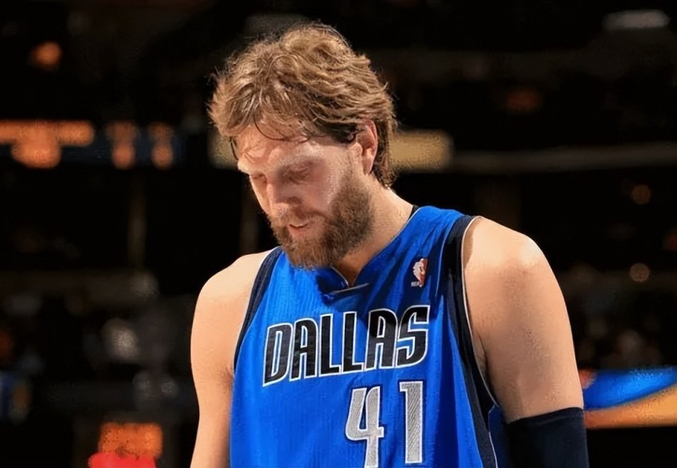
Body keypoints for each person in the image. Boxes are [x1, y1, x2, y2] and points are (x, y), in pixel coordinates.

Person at [190, 23, 588, 468]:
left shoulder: (495, 270)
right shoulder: (229, 304)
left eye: (298, 172)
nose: (278, 203)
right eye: (258, 178)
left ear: (364, 142)